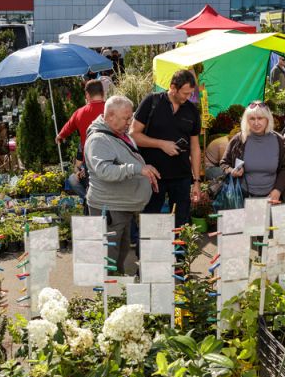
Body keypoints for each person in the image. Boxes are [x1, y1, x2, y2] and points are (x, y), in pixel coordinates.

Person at [84, 95, 160, 275]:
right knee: (110, 259)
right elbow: (104, 171)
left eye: (130, 117)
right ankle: (108, 295)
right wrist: (137, 169)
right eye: (126, 118)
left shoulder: (118, 134)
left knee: (121, 252)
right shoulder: (98, 140)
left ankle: (115, 289)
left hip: (120, 207)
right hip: (109, 208)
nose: (130, 122)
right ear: (110, 116)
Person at [130, 69, 202, 227]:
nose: (188, 97)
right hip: (153, 176)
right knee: (150, 221)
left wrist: (196, 181)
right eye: (185, 93)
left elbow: (195, 148)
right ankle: (148, 252)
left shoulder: (192, 111)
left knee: (182, 223)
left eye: (190, 93)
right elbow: (133, 134)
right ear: (173, 87)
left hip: (182, 177)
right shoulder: (152, 102)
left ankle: (181, 252)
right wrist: (161, 144)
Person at [220, 102, 285, 201]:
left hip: (271, 197)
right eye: (252, 119)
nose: (256, 123)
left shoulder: (279, 141)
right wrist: (232, 171)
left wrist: (278, 190)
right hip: (242, 196)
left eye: (260, 118)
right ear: (246, 121)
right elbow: (224, 163)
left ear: (267, 119)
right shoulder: (239, 139)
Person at [57, 80, 106, 197]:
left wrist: (60, 136)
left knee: (74, 180)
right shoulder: (111, 110)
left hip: (90, 162)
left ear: (87, 95)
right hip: (111, 159)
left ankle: (88, 201)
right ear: (103, 93)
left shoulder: (79, 113)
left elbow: (65, 130)